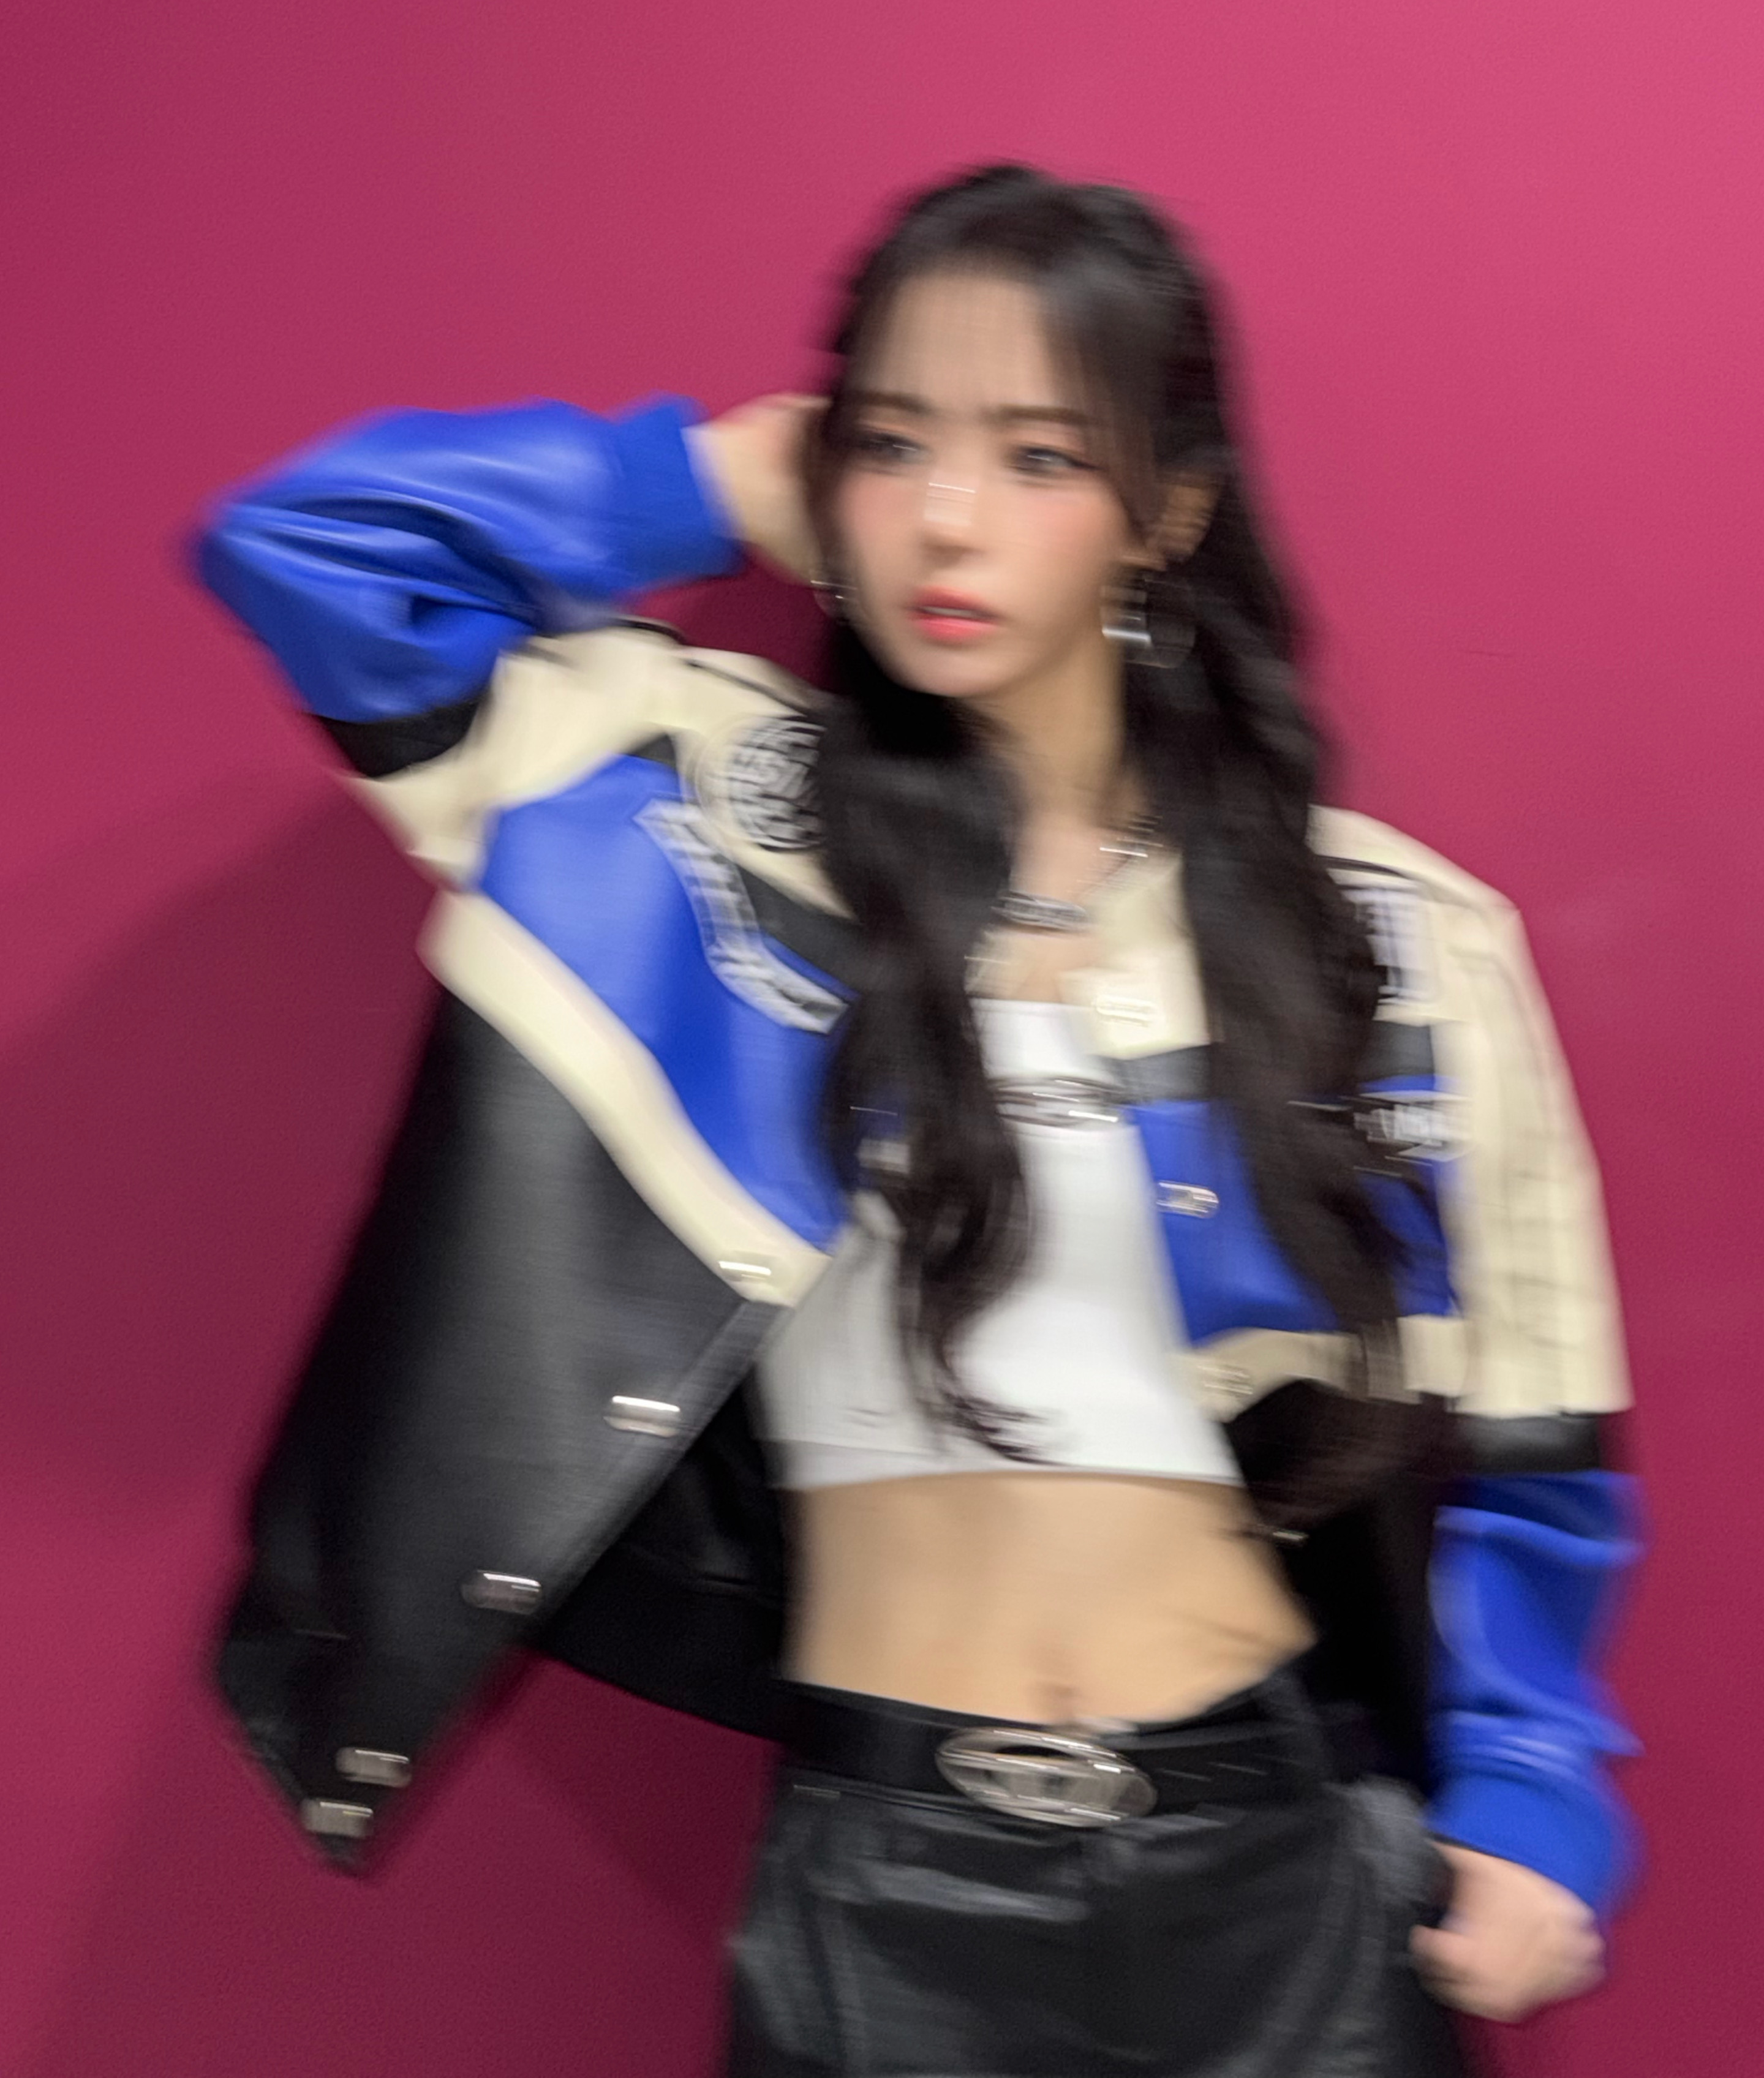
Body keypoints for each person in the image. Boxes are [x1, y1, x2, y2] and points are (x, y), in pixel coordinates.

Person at [195, 164, 1640, 2074]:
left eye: (1042, 457)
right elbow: (305, 551)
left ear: (1167, 511)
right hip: (881, 1882)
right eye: (896, 444)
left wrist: (1531, 1796)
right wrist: (707, 482)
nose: (949, 518)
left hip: (1285, 1881)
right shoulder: (678, 806)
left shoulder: (1394, 940)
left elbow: (1538, 1446)